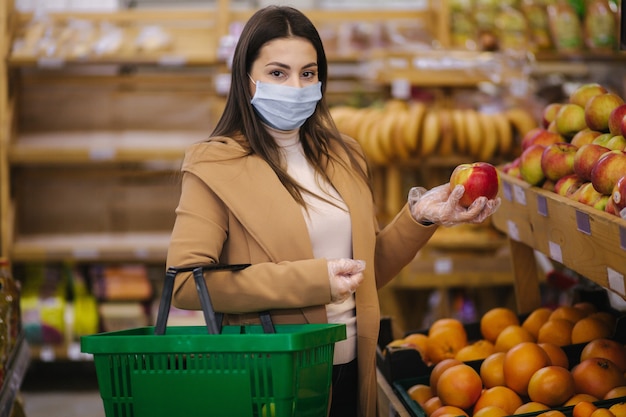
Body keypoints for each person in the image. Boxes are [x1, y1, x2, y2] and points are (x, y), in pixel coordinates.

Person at [166, 5, 501, 417]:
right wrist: (313, 280)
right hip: (272, 379)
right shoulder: (214, 166)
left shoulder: (344, 156)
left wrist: (421, 217)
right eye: (277, 73)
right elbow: (185, 283)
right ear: (246, 79)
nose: (295, 86)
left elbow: (364, 269)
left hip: (354, 374)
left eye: (308, 73)